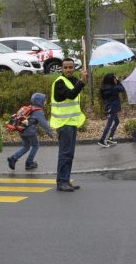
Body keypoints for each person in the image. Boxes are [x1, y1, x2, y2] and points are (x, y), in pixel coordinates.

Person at [50, 57, 87, 192]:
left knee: (69, 153)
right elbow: (71, 95)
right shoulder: (59, 82)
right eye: (65, 67)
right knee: (65, 153)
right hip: (63, 123)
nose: (68, 70)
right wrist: (82, 82)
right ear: (61, 68)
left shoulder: (73, 80)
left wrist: (83, 79)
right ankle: (62, 182)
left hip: (71, 122)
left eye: (71, 67)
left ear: (74, 68)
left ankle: (65, 179)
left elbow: (77, 88)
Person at [7, 92, 54, 171]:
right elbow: (44, 123)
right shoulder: (38, 111)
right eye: (44, 100)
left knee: (26, 146)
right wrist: (50, 133)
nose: (45, 102)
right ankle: (29, 162)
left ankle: (13, 158)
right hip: (30, 132)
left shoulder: (30, 107)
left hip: (22, 130)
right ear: (39, 101)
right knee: (35, 146)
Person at [97, 73, 124, 148]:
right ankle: (102, 140)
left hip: (109, 106)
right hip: (113, 108)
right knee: (109, 124)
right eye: (114, 78)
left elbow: (103, 98)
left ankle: (110, 138)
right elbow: (122, 89)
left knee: (117, 122)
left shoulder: (103, 87)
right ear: (112, 79)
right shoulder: (114, 87)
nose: (115, 79)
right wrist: (118, 81)